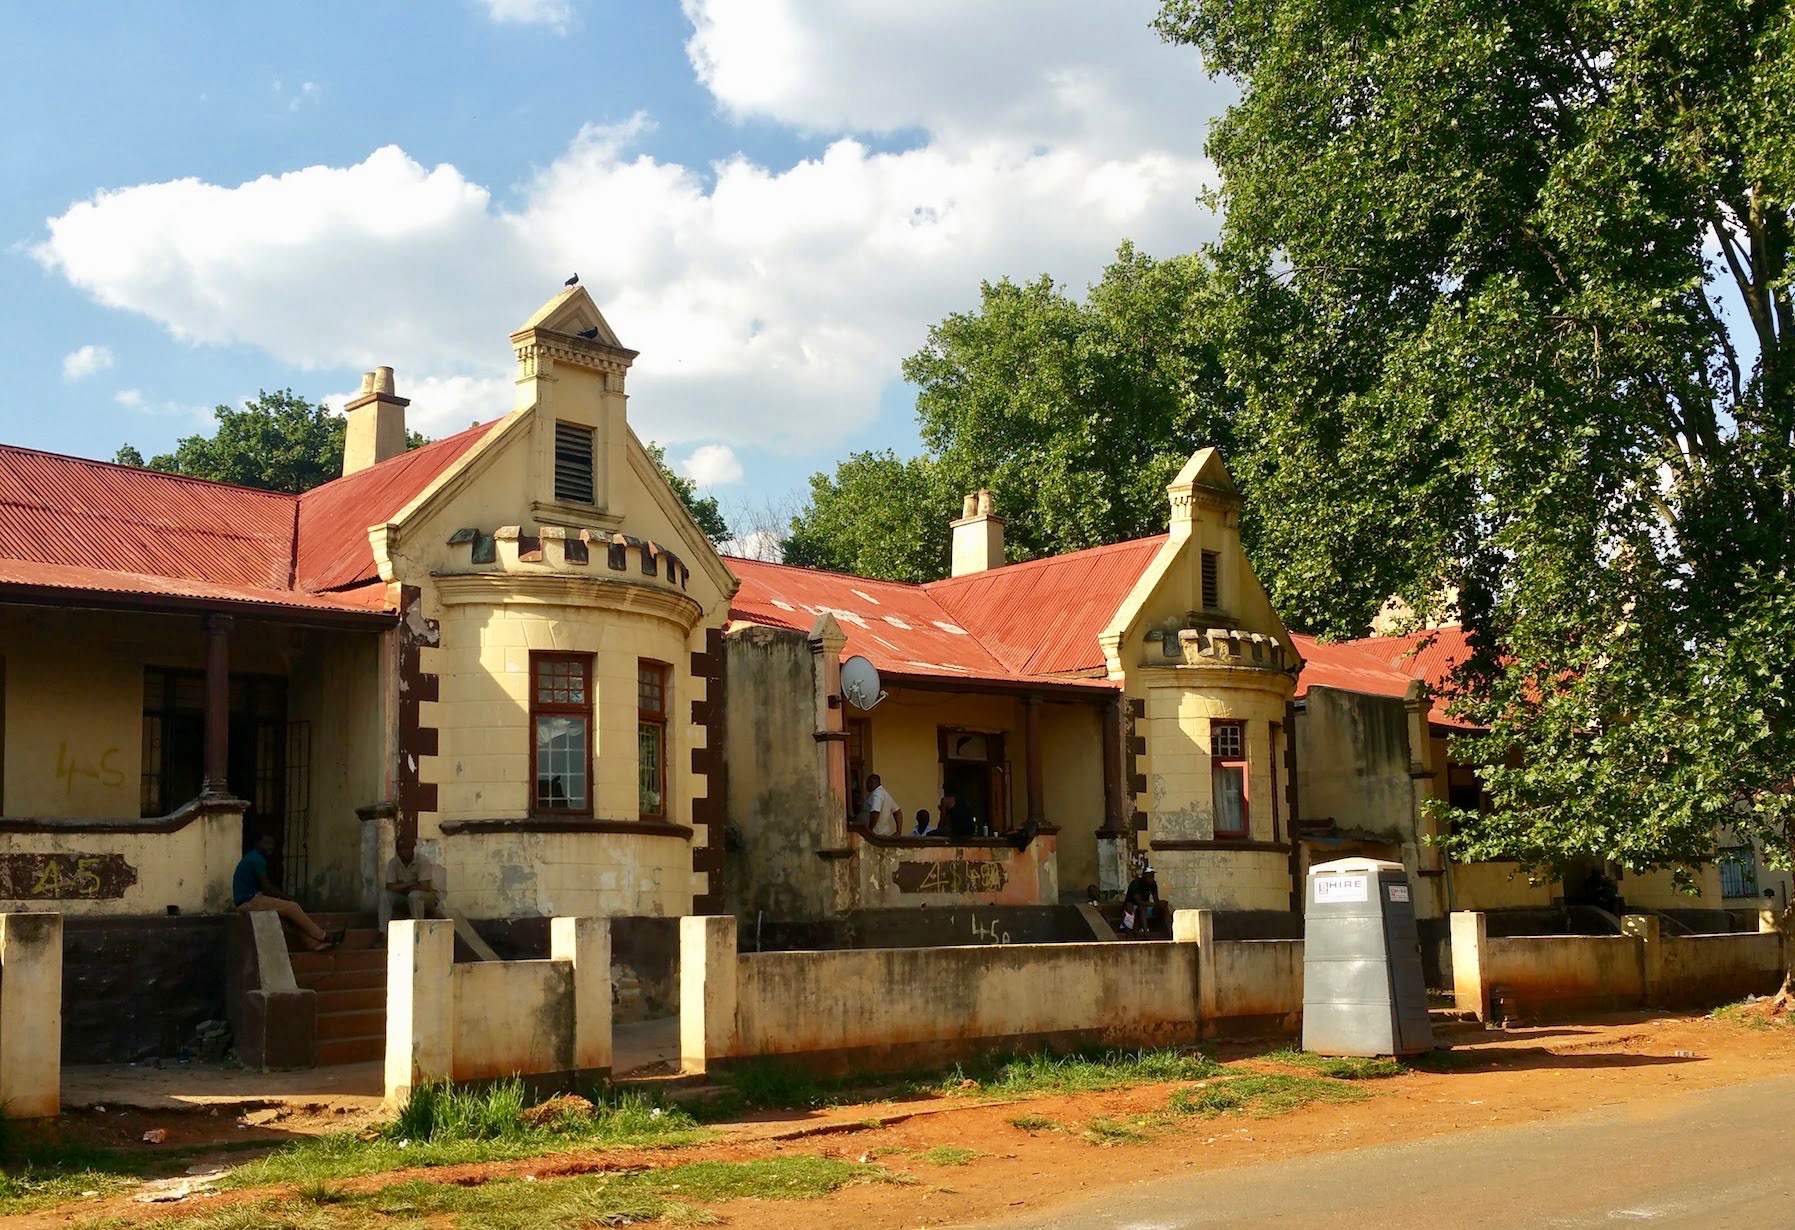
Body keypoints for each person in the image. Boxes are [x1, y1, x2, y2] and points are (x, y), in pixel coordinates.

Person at [233, 834, 340, 952]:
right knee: (292, 907)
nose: (270, 847)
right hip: (249, 901)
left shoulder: (253, 858)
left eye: (272, 844)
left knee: (288, 917)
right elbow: (267, 887)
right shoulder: (256, 859)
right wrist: (289, 898)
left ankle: (313, 943)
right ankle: (322, 935)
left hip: (248, 901)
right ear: (258, 844)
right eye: (267, 843)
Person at [383, 834, 446, 930]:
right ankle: (383, 931)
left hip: (426, 900)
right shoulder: (393, 862)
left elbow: (424, 886)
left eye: (407, 848)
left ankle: (417, 931)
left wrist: (399, 887)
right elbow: (389, 887)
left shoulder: (422, 860)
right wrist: (411, 883)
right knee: (385, 896)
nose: (404, 851)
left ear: (412, 848)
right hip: (405, 897)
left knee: (414, 895)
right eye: (401, 849)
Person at [1121, 862, 1167, 936]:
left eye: (1152, 876)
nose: (1151, 878)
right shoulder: (1136, 883)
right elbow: (1138, 901)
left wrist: (1160, 904)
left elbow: (1156, 899)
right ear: (1144, 876)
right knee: (1138, 908)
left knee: (1164, 908)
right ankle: (1144, 932)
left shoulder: (1153, 884)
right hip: (1133, 906)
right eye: (1149, 876)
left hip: (1145, 906)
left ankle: (1169, 932)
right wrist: (1153, 904)